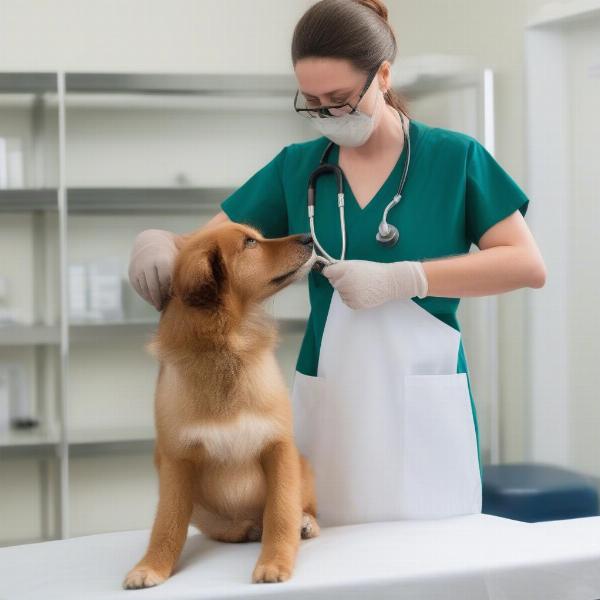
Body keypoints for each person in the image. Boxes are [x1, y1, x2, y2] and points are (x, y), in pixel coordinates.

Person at [128, 0, 546, 527]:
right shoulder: (297, 167)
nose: (329, 115)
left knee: (437, 559)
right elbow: (205, 249)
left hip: (423, 398)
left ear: (385, 75)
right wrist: (159, 242)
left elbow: (526, 265)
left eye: (341, 99)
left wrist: (406, 277)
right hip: (331, 394)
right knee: (327, 552)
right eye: (313, 103)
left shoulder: (455, 158)